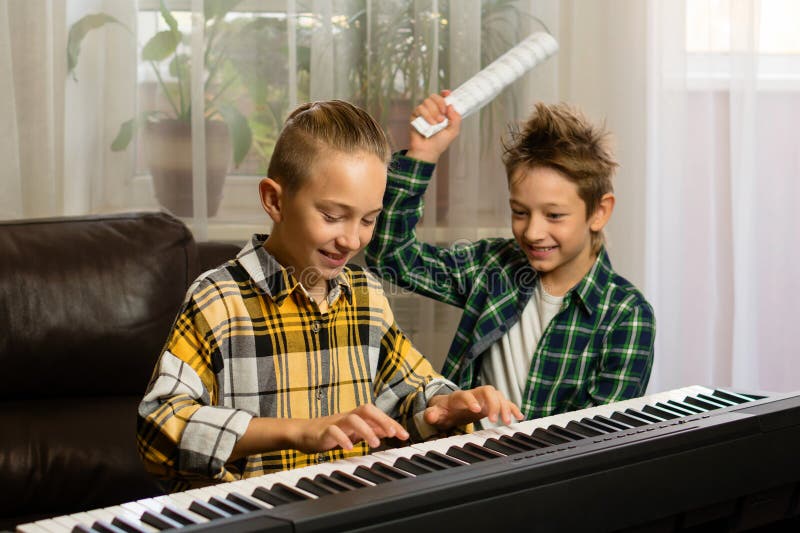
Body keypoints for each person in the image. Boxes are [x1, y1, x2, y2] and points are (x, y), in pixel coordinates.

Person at [137, 99, 522, 492]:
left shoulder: (365, 297)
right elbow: (159, 428)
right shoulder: (218, 300)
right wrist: (297, 433)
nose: (352, 239)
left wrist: (443, 407)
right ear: (275, 200)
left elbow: (411, 392)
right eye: (333, 216)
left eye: (369, 219)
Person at [365, 92, 655, 426]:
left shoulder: (628, 317)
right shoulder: (494, 266)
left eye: (554, 215)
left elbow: (599, 443)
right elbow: (392, 257)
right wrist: (422, 155)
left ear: (599, 212)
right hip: (466, 458)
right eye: (519, 212)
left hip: (546, 475)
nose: (533, 232)